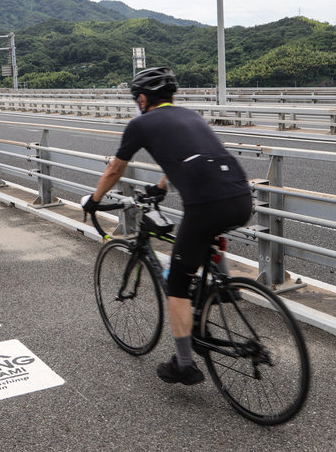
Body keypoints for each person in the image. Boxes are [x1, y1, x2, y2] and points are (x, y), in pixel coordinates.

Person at [82, 67, 252, 386]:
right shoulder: (192, 116)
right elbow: (190, 155)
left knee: (177, 283)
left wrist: (94, 200)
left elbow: (115, 168)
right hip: (241, 196)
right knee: (206, 238)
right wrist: (162, 184)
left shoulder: (141, 124)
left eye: (137, 99)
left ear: (143, 99)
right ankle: (223, 288)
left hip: (206, 204)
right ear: (172, 97)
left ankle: (184, 364)